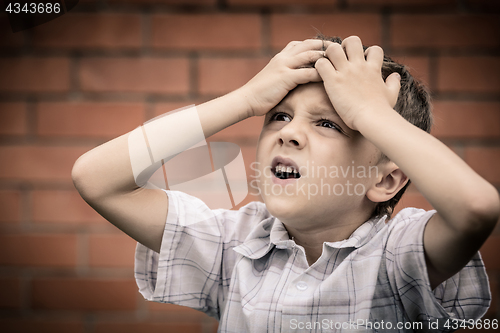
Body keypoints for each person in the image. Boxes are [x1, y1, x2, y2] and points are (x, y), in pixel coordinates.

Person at [72, 35, 500, 332]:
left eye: (331, 123)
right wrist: (243, 100)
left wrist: (370, 112)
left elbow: (476, 208)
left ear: (386, 180)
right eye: (279, 115)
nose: (288, 132)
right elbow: (95, 178)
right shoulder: (234, 246)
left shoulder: (397, 257)